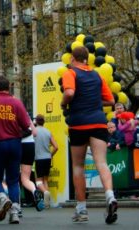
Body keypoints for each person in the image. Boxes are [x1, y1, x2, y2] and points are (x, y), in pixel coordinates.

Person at [61, 46, 117, 224]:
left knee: (78, 166)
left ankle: (82, 209)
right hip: (99, 122)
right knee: (102, 162)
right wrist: (93, 100)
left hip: (78, 123)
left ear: (72, 59)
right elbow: (111, 100)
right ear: (87, 59)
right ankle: (109, 195)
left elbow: (69, 93)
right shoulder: (98, 75)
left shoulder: (71, 73)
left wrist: (64, 104)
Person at [0, 75, 31, 225]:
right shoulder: (16, 103)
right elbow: (26, 125)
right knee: (13, 179)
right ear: (9, 87)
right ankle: (14, 212)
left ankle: (3, 198)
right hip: (15, 143)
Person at [33, 114, 58, 209]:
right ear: (44, 122)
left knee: (38, 181)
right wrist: (50, 155)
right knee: (45, 180)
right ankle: (47, 203)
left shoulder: (34, 132)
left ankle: (45, 193)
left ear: (36, 121)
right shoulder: (48, 132)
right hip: (47, 158)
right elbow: (56, 147)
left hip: (38, 158)